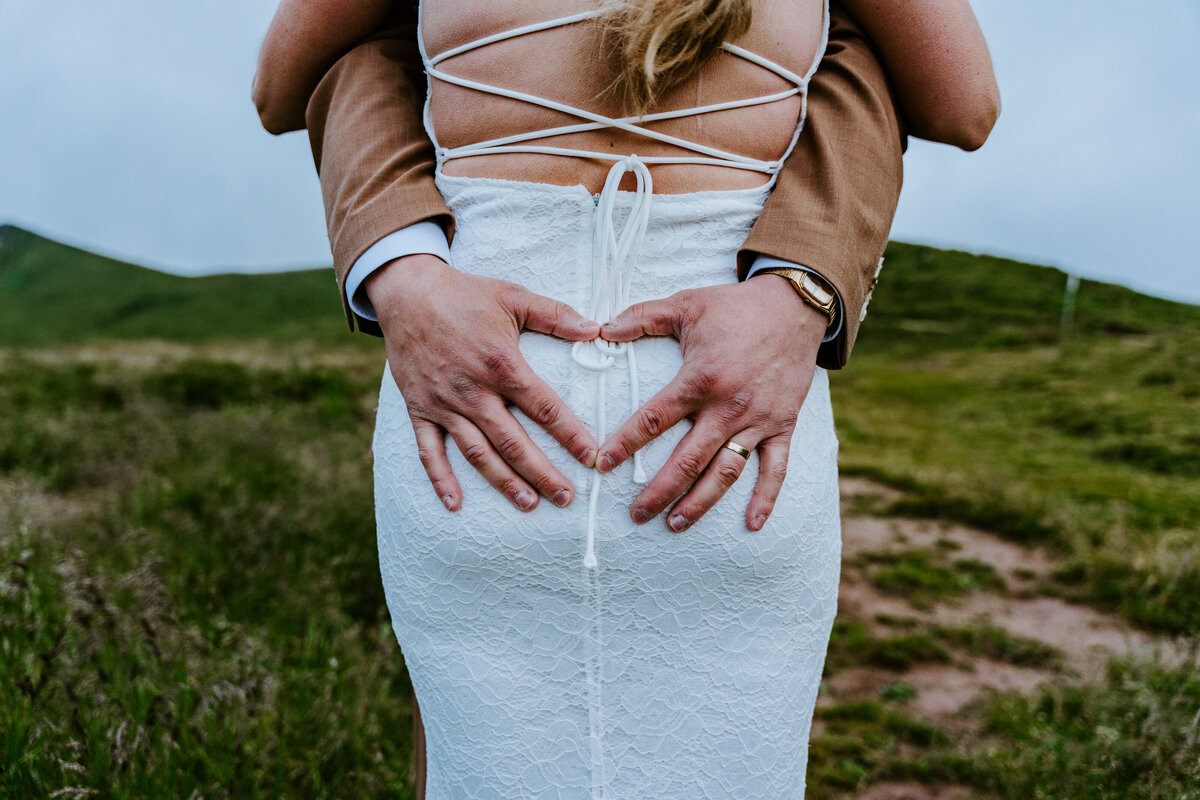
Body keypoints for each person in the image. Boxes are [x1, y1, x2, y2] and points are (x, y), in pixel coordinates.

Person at [254, 1, 998, 796]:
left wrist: (398, 266)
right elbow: (963, 103)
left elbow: (281, 87)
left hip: (481, 413)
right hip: (726, 430)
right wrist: (802, 279)